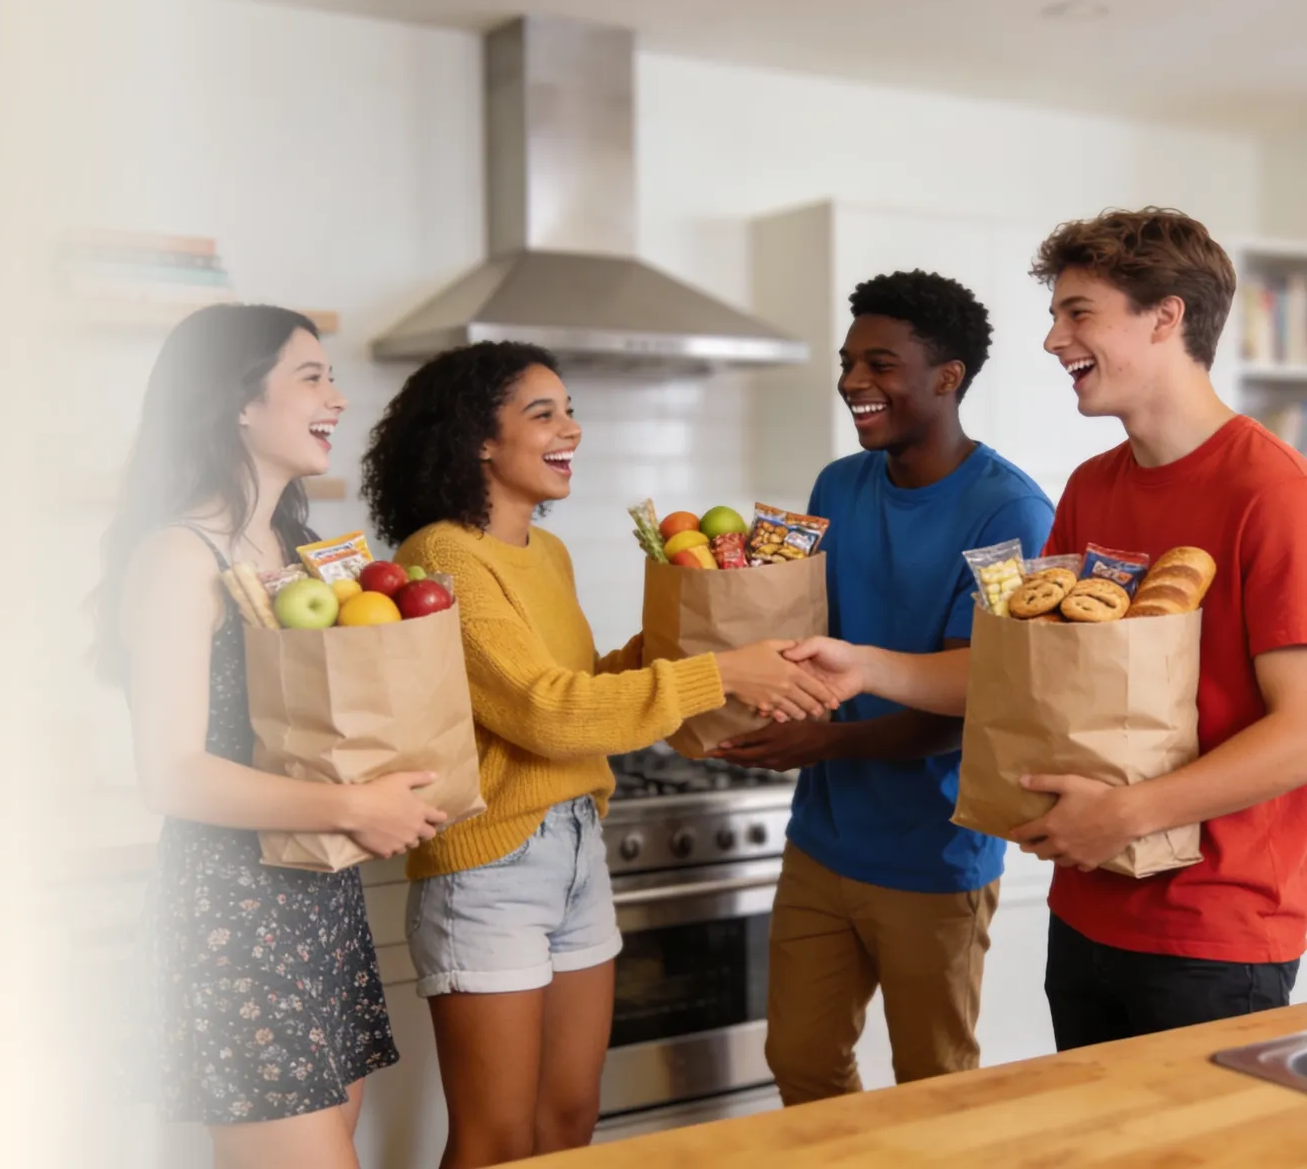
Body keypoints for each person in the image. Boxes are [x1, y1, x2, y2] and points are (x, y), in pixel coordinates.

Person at [787, 209, 1307, 1051]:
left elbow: (1302, 732)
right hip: (1089, 906)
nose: (1052, 339)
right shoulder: (1092, 488)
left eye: (1078, 313)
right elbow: (1016, 671)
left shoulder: (1274, 492)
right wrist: (863, 665)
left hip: (1215, 930)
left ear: (1166, 317)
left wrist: (1129, 812)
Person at [358, 341, 841, 1167]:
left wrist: (702, 630)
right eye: (543, 413)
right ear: (479, 436)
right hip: (491, 869)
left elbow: (574, 683)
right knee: (496, 1141)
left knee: (571, 1125)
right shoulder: (441, 558)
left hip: (579, 846)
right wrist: (717, 669)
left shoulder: (547, 554)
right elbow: (546, 714)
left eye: (571, 409)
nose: (571, 429)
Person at [94, 305, 443, 1169]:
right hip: (235, 915)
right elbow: (171, 775)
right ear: (239, 403)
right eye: (312, 376)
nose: (338, 395)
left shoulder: (302, 548)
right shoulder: (179, 558)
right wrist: (352, 803)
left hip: (320, 900)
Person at [714, 271, 1054, 1102]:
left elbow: (977, 695)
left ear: (948, 377)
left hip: (934, 854)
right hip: (823, 841)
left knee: (932, 1090)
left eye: (880, 364)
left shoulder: (1009, 512)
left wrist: (823, 740)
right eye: (847, 362)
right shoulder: (839, 485)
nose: (853, 383)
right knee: (799, 1059)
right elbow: (805, 633)